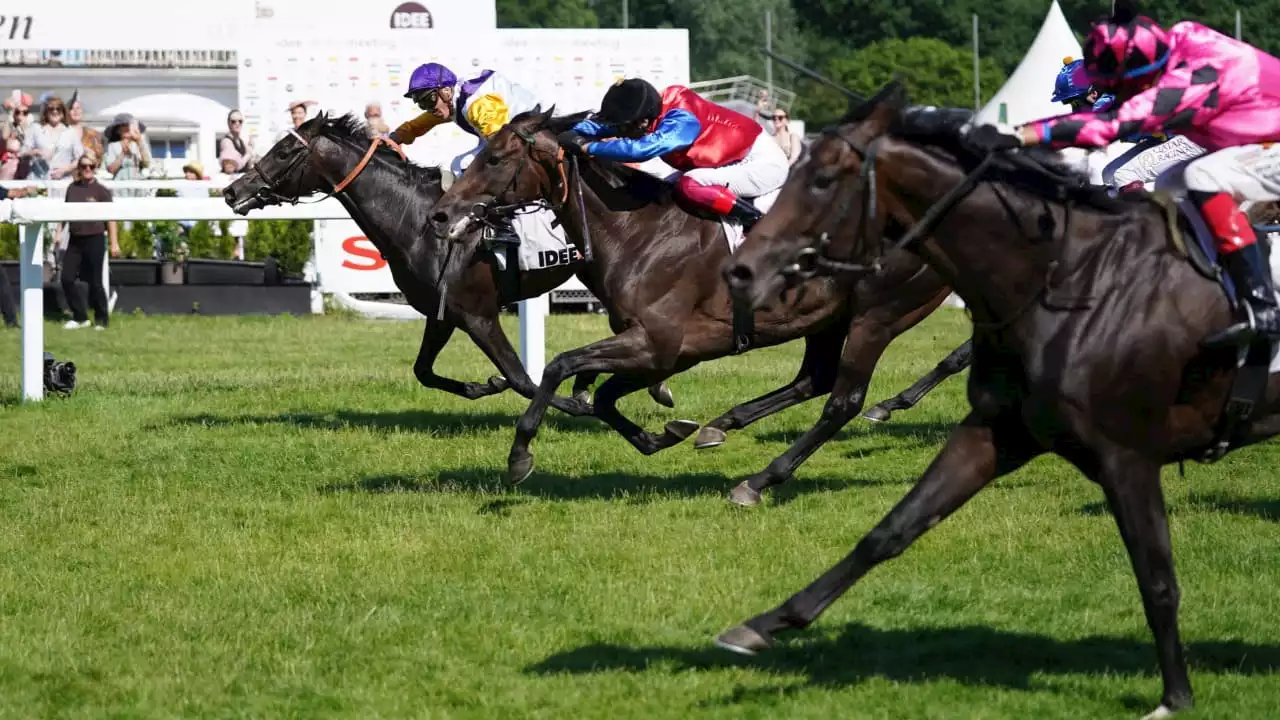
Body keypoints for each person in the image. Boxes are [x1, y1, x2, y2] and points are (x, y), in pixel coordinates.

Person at [972, 6, 1280, 345]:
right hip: (1249, 136)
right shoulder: (1177, 40)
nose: (1113, 95)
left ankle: (1262, 308)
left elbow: (1113, 124)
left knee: (1202, 176)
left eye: (1116, 87)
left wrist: (1018, 134)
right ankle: (1215, 287)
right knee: (1167, 186)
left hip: (1268, 139)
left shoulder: (1190, 78)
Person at [564, 77, 789, 231]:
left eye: (624, 127)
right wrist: (566, 132)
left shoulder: (681, 121)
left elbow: (641, 150)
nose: (618, 132)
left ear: (643, 121)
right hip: (730, 161)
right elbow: (606, 126)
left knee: (689, 186)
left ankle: (755, 221)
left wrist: (587, 148)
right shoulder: (650, 113)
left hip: (761, 163)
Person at [388, 61, 545, 245]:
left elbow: (501, 151)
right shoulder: (452, 99)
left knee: (463, 166)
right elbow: (420, 123)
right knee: (460, 166)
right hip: (511, 132)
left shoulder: (476, 104)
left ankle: (505, 226)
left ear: (446, 91)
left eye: (428, 100)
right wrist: (393, 138)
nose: (428, 108)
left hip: (532, 134)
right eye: (421, 103)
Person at [61, 151, 117, 330]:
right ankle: (80, 316)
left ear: (96, 167)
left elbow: (111, 219)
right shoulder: (72, 188)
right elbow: (64, 212)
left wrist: (114, 243)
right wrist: (58, 231)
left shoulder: (102, 191)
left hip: (95, 238)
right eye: (84, 166)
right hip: (75, 239)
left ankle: (102, 319)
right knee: (67, 278)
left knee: (95, 281)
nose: (87, 169)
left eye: (90, 166)